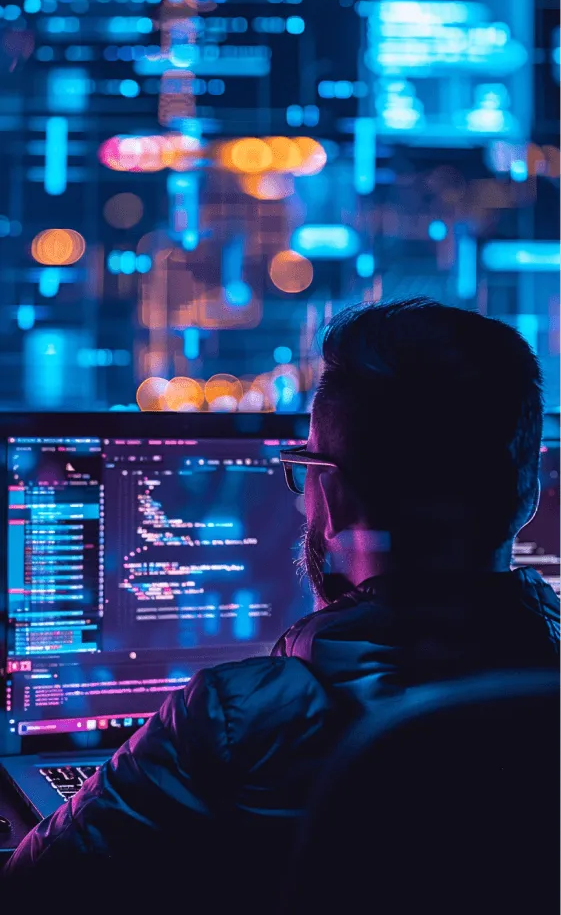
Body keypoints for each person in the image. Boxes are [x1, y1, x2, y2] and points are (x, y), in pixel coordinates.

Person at [4, 298, 561, 902]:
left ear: (333, 494)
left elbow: (30, 895)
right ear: (528, 490)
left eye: (306, 466)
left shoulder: (232, 722)